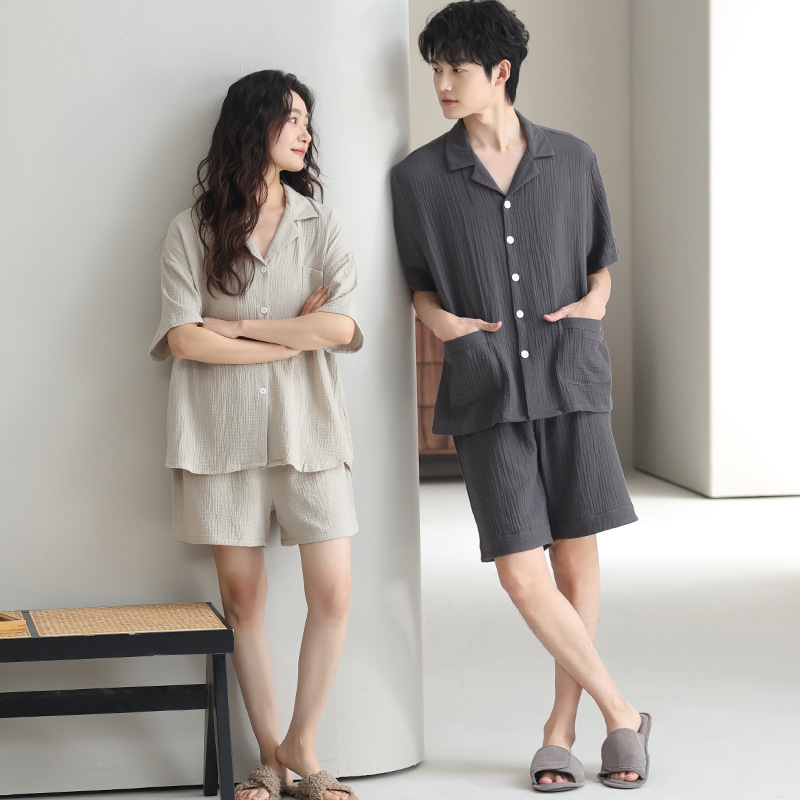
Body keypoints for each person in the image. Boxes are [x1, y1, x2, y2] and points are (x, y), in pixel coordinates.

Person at [391, 1, 651, 791]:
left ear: (500, 72)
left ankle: (560, 729)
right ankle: (622, 711)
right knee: (519, 572)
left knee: (574, 559)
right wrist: (449, 329)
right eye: (434, 68)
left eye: (455, 68)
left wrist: (595, 305)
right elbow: (418, 287)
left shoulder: (572, 159)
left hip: (569, 378)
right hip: (488, 386)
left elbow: (601, 265)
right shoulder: (418, 180)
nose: (440, 82)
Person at [150, 70, 362, 800]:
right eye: (290, 118)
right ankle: (274, 762)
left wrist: (238, 329)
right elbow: (184, 339)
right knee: (243, 603)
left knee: (333, 594)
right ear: (253, 126)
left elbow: (340, 327)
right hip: (221, 439)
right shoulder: (191, 230)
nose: (305, 132)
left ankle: (303, 742)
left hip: (311, 432)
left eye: (308, 120)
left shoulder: (319, 224)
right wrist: (288, 338)